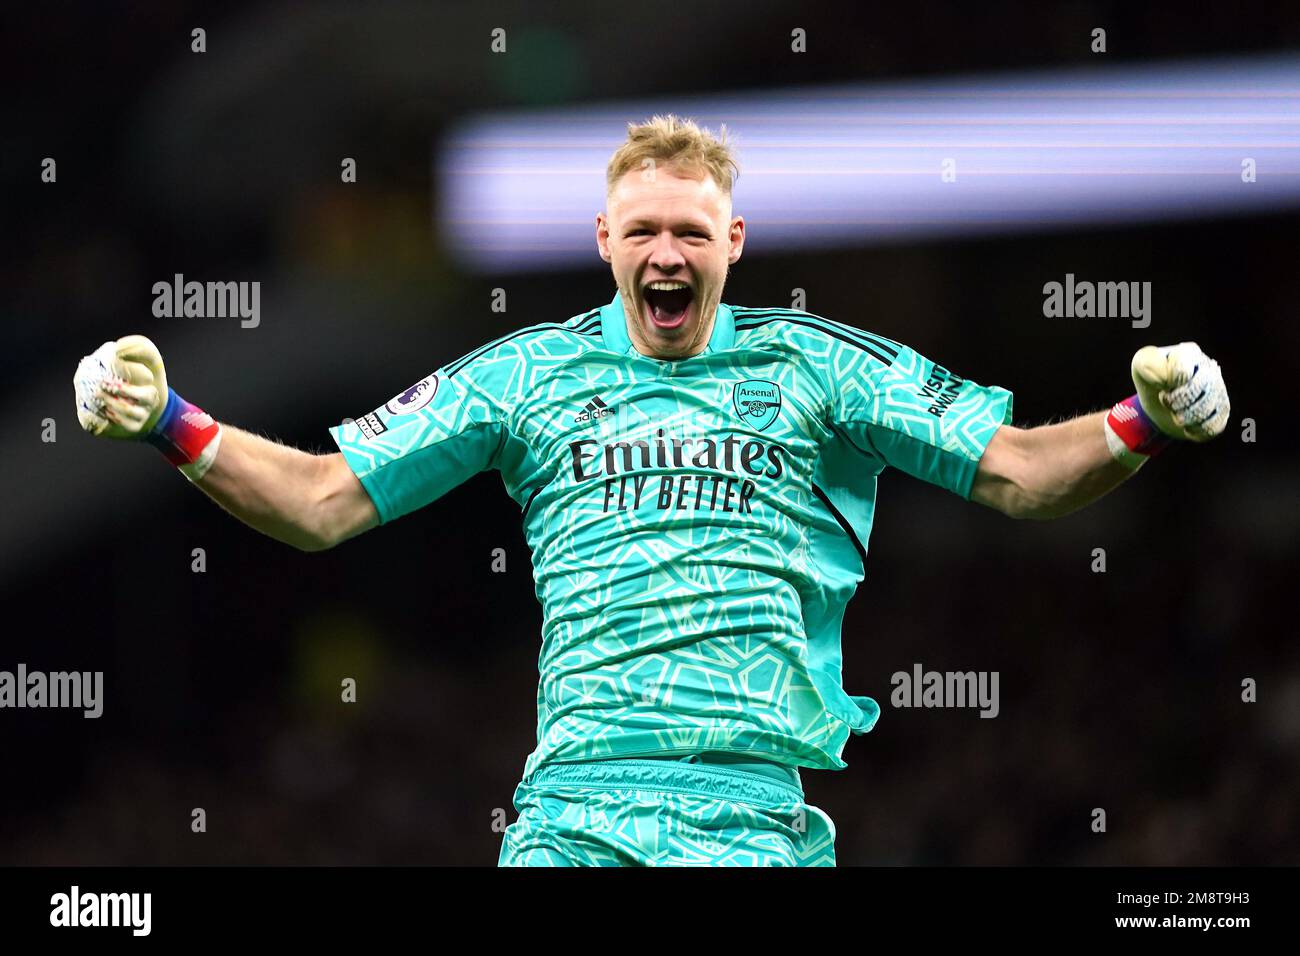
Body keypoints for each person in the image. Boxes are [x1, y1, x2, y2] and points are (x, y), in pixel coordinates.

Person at [74, 114, 1230, 866]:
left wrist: (1144, 421)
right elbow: (323, 499)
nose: (665, 252)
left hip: (748, 814)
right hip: (573, 806)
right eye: (642, 231)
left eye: (689, 230)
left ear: (732, 239)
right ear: (603, 240)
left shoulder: (816, 364)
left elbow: (1023, 474)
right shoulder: (527, 373)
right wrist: (174, 420)